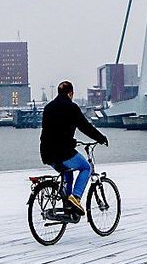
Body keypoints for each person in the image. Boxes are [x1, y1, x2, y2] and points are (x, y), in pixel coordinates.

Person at [40, 80, 108, 215]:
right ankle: (75, 198)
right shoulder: (72, 108)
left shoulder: (48, 108)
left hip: (46, 153)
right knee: (86, 168)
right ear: (70, 93)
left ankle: (67, 207)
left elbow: (50, 132)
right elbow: (85, 127)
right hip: (63, 152)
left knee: (68, 172)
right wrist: (100, 138)